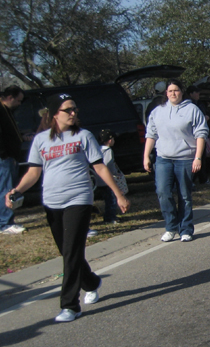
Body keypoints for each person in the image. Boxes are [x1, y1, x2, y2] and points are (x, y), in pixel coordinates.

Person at [4, 93, 129, 322]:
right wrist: (17, 190)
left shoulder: (84, 136)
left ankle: (70, 305)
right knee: (68, 252)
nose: (73, 113)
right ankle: (91, 282)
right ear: (53, 114)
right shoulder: (41, 140)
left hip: (79, 199)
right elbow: (33, 173)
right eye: (68, 110)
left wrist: (118, 194)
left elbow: (99, 167)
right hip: (52, 202)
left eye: (75, 110)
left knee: (71, 252)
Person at [144, 79, 208, 243]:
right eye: (170, 91)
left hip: (185, 158)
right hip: (163, 158)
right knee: (163, 192)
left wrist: (198, 157)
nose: (173, 93)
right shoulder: (158, 111)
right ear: (166, 93)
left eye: (176, 90)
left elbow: (201, 134)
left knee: (184, 195)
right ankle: (171, 227)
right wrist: (146, 156)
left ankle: (186, 229)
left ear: (182, 92)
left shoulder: (192, 109)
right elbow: (151, 135)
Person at [0, 85, 25, 234]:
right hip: (4, 157)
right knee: (6, 189)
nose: (19, 104)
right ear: (10, 98)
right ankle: (5, 223)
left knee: (7, 187)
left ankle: (6, 220)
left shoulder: (6, 111)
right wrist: (4, 154)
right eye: (18, 100)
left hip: (10, 156)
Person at [97, 129, 127, 223]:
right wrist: (115, 173)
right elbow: (108, 164)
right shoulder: (108, 151)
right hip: (107, 180)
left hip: (98, 180)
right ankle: (110, 217)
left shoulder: (97, 149)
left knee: (107, 199)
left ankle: (109, 216)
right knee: (111, 200)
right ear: (110, 140)